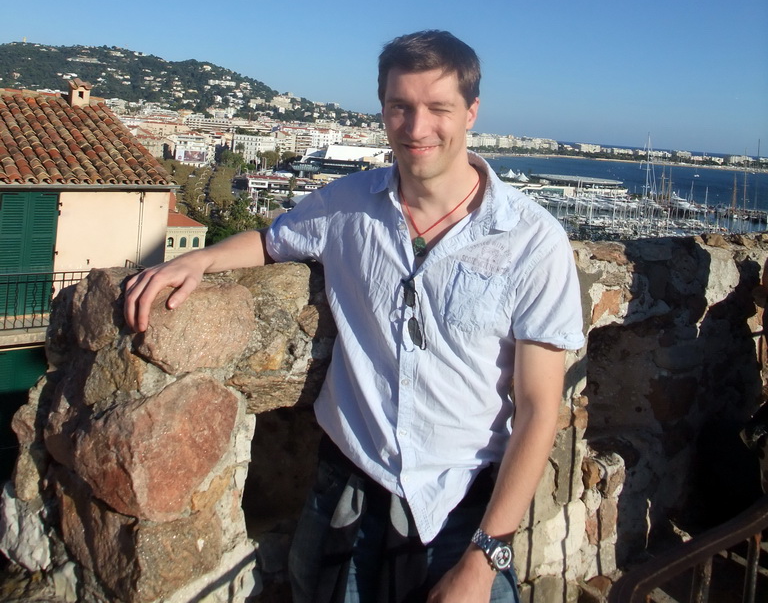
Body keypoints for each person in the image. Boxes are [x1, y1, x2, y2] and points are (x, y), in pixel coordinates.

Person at [124, 31, 584, 603]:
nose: (416, 129)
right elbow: (271, 242)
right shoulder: (346, 205)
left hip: (462, 505)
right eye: (400, 107)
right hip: (348, 481)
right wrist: (198, 258)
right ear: (383, 108)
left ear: (471, 113)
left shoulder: (532, 241)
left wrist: (485, 559)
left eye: (438, 109)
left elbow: (541, 409)